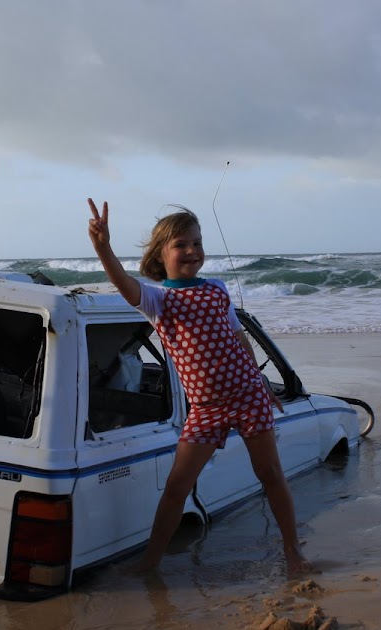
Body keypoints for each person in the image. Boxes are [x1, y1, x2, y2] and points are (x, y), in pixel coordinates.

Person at [86, 198, 312, 576]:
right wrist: (104, 248)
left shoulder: (218, 289)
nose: (191, 251)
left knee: (271, 474)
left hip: (248, 396)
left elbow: (238, 339)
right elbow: (124, 285)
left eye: (197, 243)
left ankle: (293, 554)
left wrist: (260, 380)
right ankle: (150, 562)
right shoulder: (159, 300)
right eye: (181, 245)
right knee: (177, 486)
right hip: (206, 409)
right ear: (160, 256)